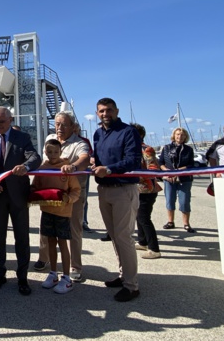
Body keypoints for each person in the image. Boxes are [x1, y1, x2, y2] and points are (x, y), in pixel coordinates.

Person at [0, 106, 40, 296]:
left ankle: (22, 277)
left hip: (18, 196)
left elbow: (35, 157)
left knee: (21, 237)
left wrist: (26, 166)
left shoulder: (22, 138)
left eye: (2, 121)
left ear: (10, 120)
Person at [91, 97, 142, 302]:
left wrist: (109, 169)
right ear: (97, 113)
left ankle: (132, 286)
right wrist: (96, 163)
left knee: (124, 237)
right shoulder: (98, 133)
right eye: (102, 111)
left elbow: (133, 160)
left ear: (117, 111)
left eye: (109, 110)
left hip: (123, 189)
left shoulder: (128, 132)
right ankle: (124, 276)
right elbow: (99, 158)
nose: (106, 114)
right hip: (104, 190)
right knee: (114, 236)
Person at [33, 111, 91, 283]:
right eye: (57, 124)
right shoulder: (49, 138)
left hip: (71, 195)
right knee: (45, 230)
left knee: (73, 230)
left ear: (73, 127)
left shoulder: (79, 143)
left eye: (64, 124)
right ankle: (45, 260)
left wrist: (72, 167)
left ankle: (75, 266)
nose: (60, 128)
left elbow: (85, 158)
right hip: (49, 195)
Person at [31, 139, 80, 294]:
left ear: (61, 152)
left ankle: (66, 278)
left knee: (63, 243)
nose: (53, 155)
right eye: (49, 151)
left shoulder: (66, 168)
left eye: (56, 152)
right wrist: (30, 193)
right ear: (45, 152)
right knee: (50, 242)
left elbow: (76, 190)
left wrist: (68, 199)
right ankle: (53, 273)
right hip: (47, 211)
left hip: (63, 213)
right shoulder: (42, 168)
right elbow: (35, 185)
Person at [131, 123, 162, 259]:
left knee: (144, 218)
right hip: (136, 189)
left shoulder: (146, 149)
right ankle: (142, 241)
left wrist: (138, 176)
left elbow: (154, 169)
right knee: (138, 216)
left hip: (147, 189)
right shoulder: (131, 150)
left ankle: (154, 249)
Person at [159, 127, 195, 233]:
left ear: (185, 137)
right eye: (178, 134)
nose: (180, 136)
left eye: (182, 135)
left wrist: (177, 171)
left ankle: (186, 224)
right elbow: (160, 163)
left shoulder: (189, 150)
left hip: (184, 179)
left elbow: (191, 165)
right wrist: (168, 172)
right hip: (169, 179)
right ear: (174, 136)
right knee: (170, 200)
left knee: (184, 201)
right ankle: (170, 222)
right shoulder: (166, 148)